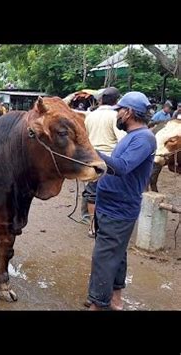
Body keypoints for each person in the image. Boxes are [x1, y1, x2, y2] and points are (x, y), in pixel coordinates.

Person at [86, 91, 156, 311]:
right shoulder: (132, 137)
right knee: (116, 253)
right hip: (109, 205)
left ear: (128, 112)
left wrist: (91, 152)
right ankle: (114, 299)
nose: (117, 115)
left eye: (119, 111)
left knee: (104, 256)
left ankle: (99, 304)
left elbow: (122, 166)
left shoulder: (144, 138)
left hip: (119, 209)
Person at [81, 87, 126, 236]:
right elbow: (121, 139)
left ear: (100, 100)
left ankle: (92, 226)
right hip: (109, 161)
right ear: (116, 101)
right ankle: (106, 223)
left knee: (91, 193)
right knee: (108, 193)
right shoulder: (114, 116)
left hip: (91, 159)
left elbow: (85, 138)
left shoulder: (90, 116)